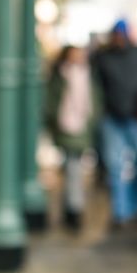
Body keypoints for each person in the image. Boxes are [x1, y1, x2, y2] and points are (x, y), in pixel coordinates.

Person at [92, 19, 137, 229]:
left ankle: (136, 208)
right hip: (112, 118)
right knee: (116, 166)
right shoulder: (103, 57)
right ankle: (121, 211)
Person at [45, 45, 99, 231]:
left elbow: (94, 101)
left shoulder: (88, 75)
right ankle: (74, 209)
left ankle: (72, 208)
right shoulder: (60, 75)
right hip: (65, 126)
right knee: (72, 168)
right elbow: (51, 101)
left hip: (82, 126)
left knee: (72, 168)